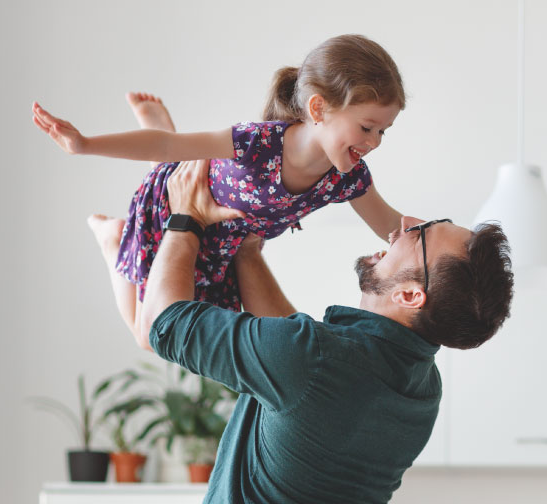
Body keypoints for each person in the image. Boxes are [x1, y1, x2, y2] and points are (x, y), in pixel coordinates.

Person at [142, 159, 515, 504]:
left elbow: (164, 324)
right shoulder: (420, 386)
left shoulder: (314, 360)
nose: (406, 223)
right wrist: (247, 249)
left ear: (410, 295)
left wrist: (184, 219)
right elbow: (297, 364)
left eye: (421, 233)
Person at [32, 34, 407, 349]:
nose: (374, 142)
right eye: (367, 127)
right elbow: (164, 146)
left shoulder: (348, 178)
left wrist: (460, 241)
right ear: (319, 108)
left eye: (383, 131)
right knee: (149, 337)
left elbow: (392, 224)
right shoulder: (257, 143)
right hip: (173, 212)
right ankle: (113, 239)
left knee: (176, 334)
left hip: (221, 247)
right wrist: (84, 144)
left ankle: (164, 147)